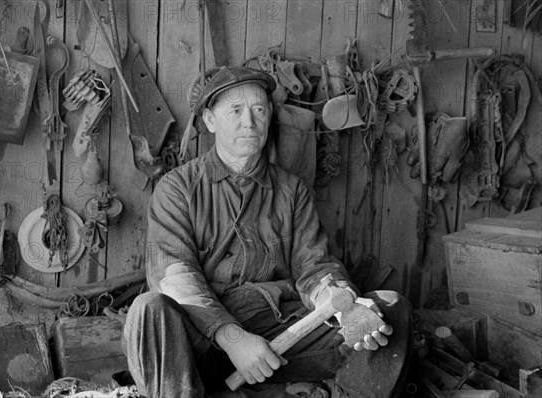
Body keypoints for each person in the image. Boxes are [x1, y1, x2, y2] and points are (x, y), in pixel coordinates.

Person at [123, 66, 413, 398]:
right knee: (149, 309)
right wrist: (234, 340)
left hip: (275, 339)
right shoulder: (178, 188)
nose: (250, 121)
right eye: (235, 110)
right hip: (200, 341)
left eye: (259, 110)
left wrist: (341, 301)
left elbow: (314, 267)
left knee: (389, 310)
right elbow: (175, 278)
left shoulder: (292, 191)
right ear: (209, 121)